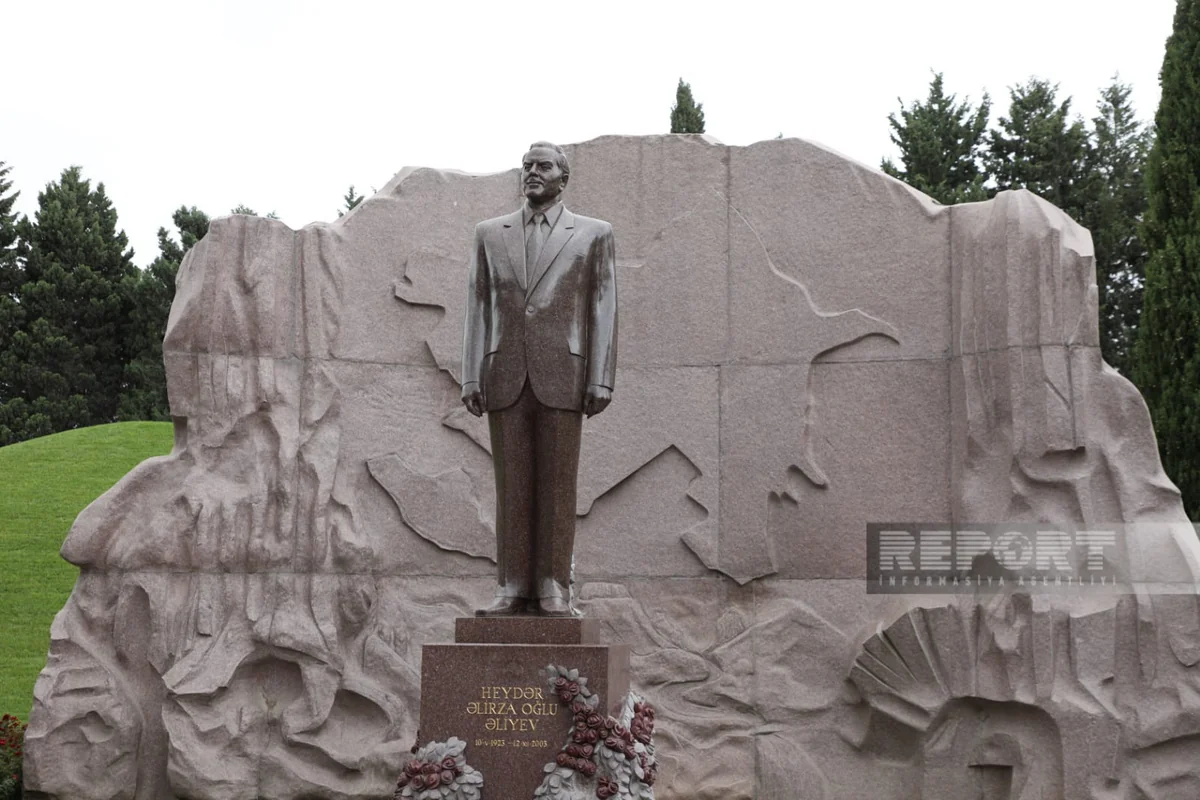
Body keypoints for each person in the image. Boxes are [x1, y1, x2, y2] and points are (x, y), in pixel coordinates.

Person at [460, 141, 617, 616]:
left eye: (543, 166)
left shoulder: (593, 234)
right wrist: (471, 375)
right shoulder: (489, 234)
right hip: (503, 373)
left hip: (564, 375)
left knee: (557, 485)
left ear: (562, 178)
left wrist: (601, 376)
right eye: (526, 165)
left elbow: (603, 306)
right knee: (511, 485)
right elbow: (479, 305)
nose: (531, 172)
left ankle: (552, 586)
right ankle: (511, 585)